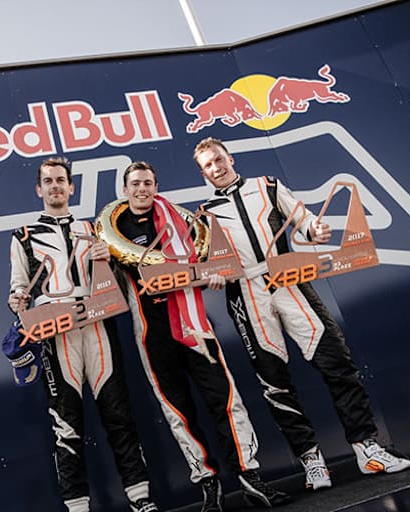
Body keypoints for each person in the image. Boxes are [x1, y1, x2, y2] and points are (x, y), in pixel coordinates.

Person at [193, 137, 410, 491]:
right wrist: (212, 275)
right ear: (203, 172)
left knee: (336, 362)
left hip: (289, 279)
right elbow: (205, 266)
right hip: (246, 295)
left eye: (218, 159)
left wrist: (316, 230)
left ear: (230, 158)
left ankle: (367, 448)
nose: (216, 167)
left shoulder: (267, 185)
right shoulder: (203, 214)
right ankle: (312, 462)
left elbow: (305, 221)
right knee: (274, 384)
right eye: (208, 165)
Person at [102, 161, 289, 510]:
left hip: (195, 328)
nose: (141, 189)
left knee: (226, 399)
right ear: (125, 190)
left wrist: (215, 275)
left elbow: (208, 263)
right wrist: (101, 262)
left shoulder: (179, 220)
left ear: (155, 186)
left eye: (147, 183)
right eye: (135, 184)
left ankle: (250, 476)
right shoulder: (113, 231)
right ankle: (208, 484)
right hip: (152, 336)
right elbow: (110, 291)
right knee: (177, 410)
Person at [7, 157, 158, 512]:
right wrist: (16, 300)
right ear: (39, 189)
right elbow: (17, 294)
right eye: (49, 181)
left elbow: (122, 285)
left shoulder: (94, 229)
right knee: (66, 425)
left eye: (61, 180)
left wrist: (112, 260)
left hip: (97, 327)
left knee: (118, 415)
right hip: (56, 335)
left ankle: (140, 499)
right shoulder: (23, 237)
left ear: (71, 187)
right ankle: (77, 507)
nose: (56, 186)